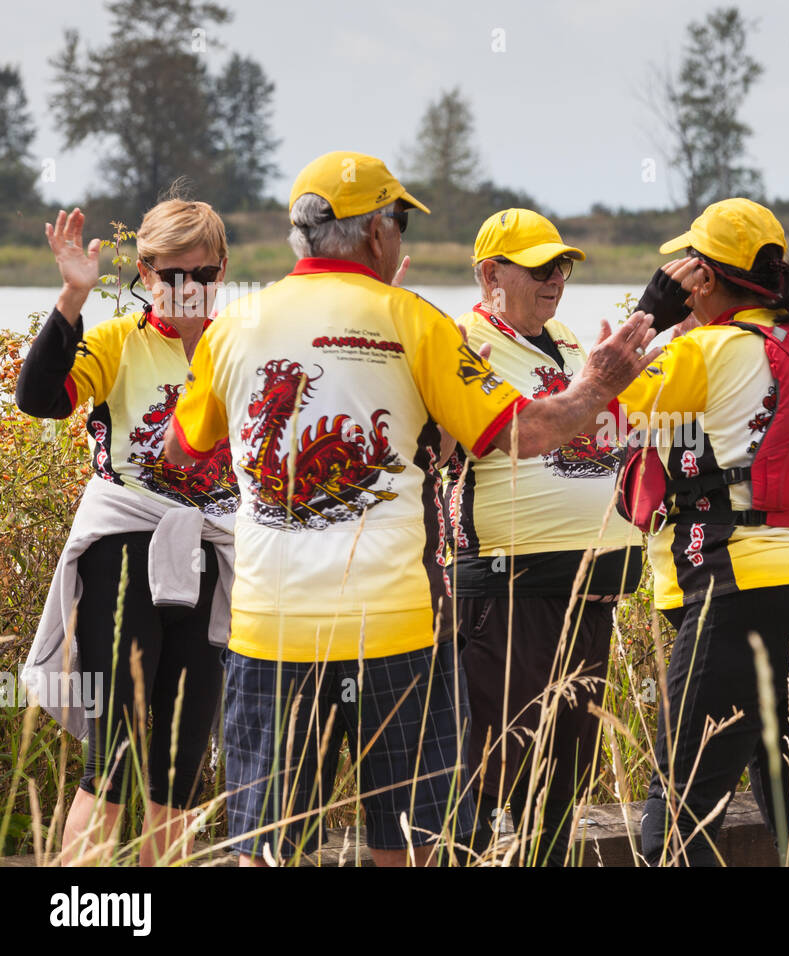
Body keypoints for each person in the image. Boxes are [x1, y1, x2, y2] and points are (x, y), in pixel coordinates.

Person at [163, 151, 656, 867]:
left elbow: (182, 451)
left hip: (269, 630)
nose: (403, 239)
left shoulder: (235, 323)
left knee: (267, 851)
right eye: (399, 221)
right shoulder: (414, 320)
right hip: (394, 632)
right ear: (375, 236)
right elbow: (527, 432)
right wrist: (597, 386)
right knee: (414, 845)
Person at [617, 197, 789, 866]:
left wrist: (650, 315)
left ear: (703, 278)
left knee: (679, 818)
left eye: (685, 269)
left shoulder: (706, 349)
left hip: (741, 593)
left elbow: (593, 402)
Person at [17, 200, 239, 865]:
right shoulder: (117, 341)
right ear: (145, 272)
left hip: (209, 549)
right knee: (112, 759)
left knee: (179, 767)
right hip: (125, 548)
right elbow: (38, 400)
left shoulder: (240, 349)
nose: (186, 289)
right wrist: (72, 296)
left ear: (222, 270)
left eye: (200, 273)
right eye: (169, 276)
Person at [445, 208, 642, 865]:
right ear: (490, 274)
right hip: (506, 591)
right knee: (485, 772)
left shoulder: (565, 339)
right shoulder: (463, 342)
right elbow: (473, 442)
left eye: (562, 266)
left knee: (563, 779)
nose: (556, 278)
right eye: (539, 267)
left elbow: (599, 428)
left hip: (585, 590)